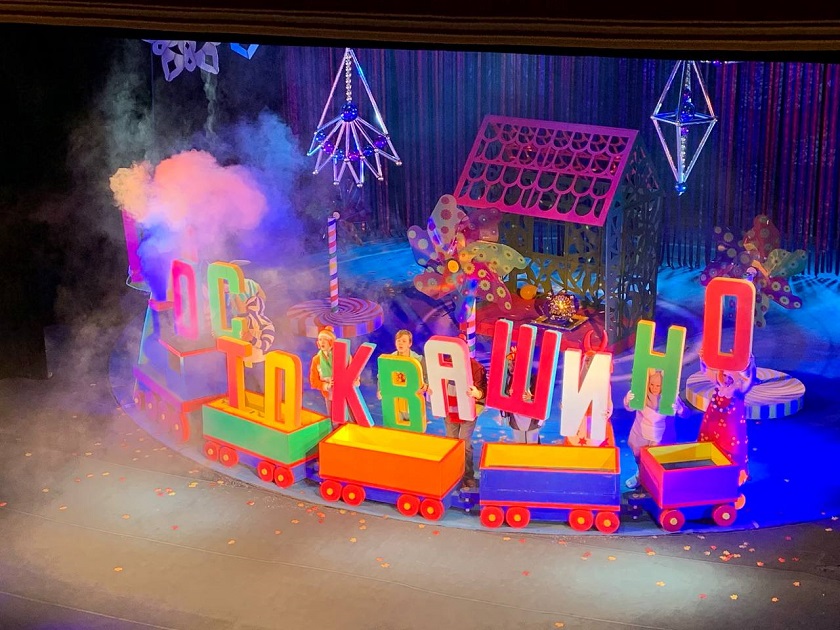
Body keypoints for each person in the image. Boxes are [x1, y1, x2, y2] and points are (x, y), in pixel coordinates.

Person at [697, 353, 755, 486]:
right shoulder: (718, 384)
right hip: (713, 423)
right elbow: (705, 370)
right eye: (724, 375)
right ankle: (708, 472)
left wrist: (751, 365)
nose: (726, 379)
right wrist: (702, 358)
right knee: (710, 443)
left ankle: (733, 477)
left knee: (731, 448)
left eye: (730, 377)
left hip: (731, 428)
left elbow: (750, 381)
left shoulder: (739, 390)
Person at [623, 369, 688, 489]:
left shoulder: (670, 397)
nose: (654, 388)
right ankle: (640, 475)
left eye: (658, 385)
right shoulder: (641, 393)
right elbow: (629, 408)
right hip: (641, 433)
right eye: (652, 384)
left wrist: (679, 409)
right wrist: (628, 400)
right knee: (639, 456)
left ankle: (657, 480)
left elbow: (686, 414)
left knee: (657, 460)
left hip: (660, 435)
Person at [444, 352, 487, 490]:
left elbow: (483, 391)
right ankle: (453, 475)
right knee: (452, 442)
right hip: (451, 410)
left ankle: (468, 476)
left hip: (468, 410)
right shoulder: (445, 364)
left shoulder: (476, 367)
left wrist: (478, 393)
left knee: (464, 443)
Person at [376, 329, 428, 424]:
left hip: (412, 396)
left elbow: (426, 375)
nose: (400, 343)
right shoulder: (390, 359)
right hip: (397, 396)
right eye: (398, 341)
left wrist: (425, 386)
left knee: (414, 423)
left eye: (404, 341)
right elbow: (381, 375)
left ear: (409, 344)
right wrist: (380, 389)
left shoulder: (418, 359)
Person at [234, 278, 275, 394]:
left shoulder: (267, 325)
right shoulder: (244, 323)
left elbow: (265, 345)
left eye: (254, 307)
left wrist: (252, 339)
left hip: (259, 363)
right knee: (248, 389)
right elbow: (235, 337)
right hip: (244, 362)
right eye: (250, 307)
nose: (252, 311)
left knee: (264, 388)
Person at [499, 344, 543, 444]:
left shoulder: (534, 379)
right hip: (516, 419)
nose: (511, 367)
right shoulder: (508, 379)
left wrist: (531, 398)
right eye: (510, 364)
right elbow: (503, 398)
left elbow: (542, 399)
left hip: (532, 420)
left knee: (533, 444)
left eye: (514, 364)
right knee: (519, 444)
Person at [309, 327, 336, 416]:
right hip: (328, 393)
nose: (322, 342)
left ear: (331, 342)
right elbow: (313, 381)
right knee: (332, 416)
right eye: (320, 340)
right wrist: (327, 386)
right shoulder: (316, 360)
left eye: (325, 339)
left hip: (344, 392)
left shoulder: (341, 355)